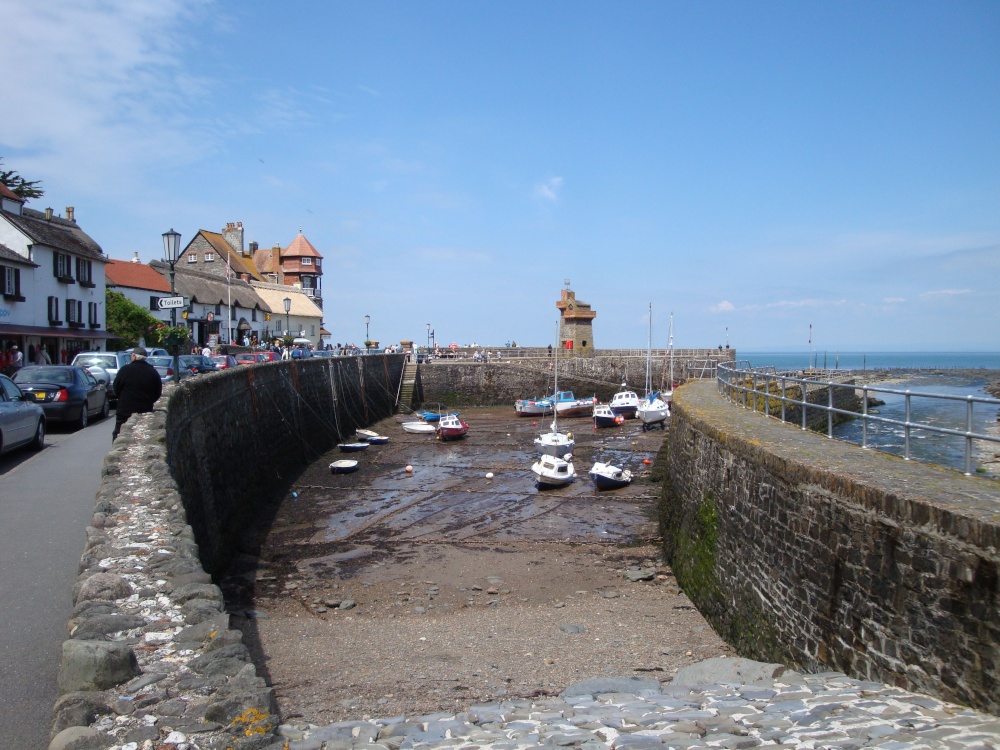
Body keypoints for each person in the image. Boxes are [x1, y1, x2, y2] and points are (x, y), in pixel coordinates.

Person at [112, 346, 163, 442]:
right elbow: (157, 392)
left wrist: (122, 397)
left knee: (119, 434)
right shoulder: (152, 371)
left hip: (125, 410)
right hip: (144, 409)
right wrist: (148, 401)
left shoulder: (125, 370)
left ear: (134, 357)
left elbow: (116, 388)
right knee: (142, 437)